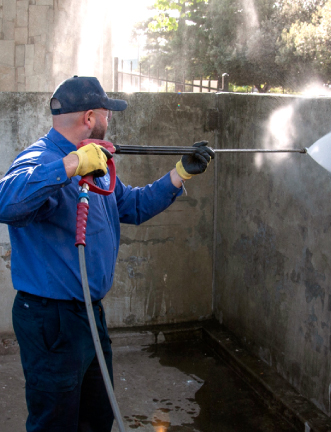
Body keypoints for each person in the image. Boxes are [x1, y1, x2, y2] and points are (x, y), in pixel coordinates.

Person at [0, 76, 214, 431]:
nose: (109, 119)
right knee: (55, 421)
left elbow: (132, 205)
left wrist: (179, 174)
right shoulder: (42, 158)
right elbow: (6, 202)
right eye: (106, 113)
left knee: (96, 415)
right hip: (50, 319)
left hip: (88, 315)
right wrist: (70, 166)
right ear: (88, 118)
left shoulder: (96, 163)